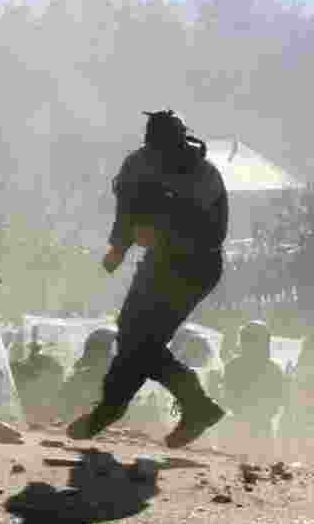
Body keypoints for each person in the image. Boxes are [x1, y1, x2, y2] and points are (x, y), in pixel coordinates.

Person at [67, 110, 229, 449]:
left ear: (183, 141)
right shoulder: (139, 164)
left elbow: (212, 234)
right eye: (158, 147)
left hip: (195, 266)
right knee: (132, 335)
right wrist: (119, 247)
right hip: (160, 261)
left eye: (171, 147)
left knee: (142, 341)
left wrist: (164, 234)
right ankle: (120, 409)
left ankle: (116, 410)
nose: (163, 154)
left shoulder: (204, 176)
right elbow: (126, 211)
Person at [220, 320, 286, 441]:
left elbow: (276, 403)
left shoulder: (233, 366)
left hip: (254, 429)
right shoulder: (273, 370)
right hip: (246, 428)